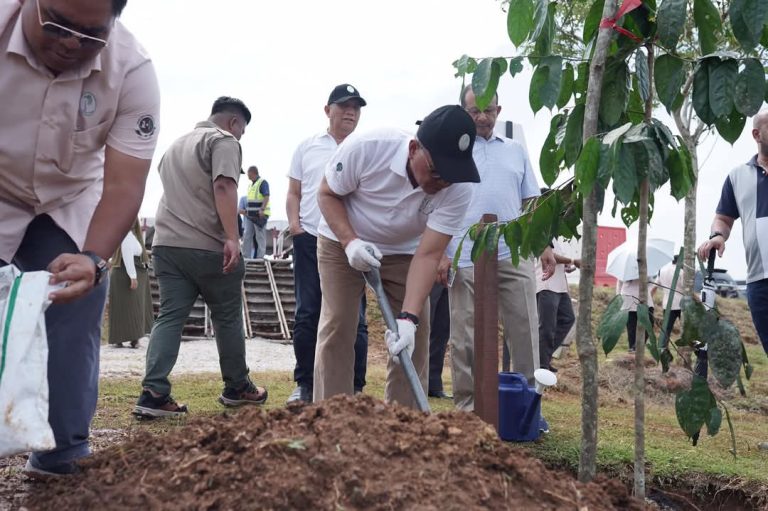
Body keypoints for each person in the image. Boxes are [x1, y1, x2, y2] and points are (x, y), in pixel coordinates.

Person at [0, 0, 160, 475]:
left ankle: (61, 451)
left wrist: (93, 257)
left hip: (70, 196)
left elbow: (124, 185)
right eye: (58, 23)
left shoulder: (132, 70)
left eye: (90, 34)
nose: (71, 42)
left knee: (77, 301)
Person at [313, 104, 480, 409]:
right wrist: (351, 244)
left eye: (449, 177)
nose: (441, 183)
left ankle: (402, 426)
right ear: (414, 148)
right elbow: (326, 194)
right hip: (342, 239)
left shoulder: (459, 188)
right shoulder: (368, 147)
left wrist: (409, 318)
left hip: (405, 250)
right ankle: (331, 418)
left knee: (415, 333)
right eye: (435, 172)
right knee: (339, 323)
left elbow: (429, 254)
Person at [133, 97, 268, 418]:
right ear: (234, 123)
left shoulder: (175, 147)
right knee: (227, 316)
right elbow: (223, 186)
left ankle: (153, 392)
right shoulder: (223, 141)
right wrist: (233, 238)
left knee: (169, 317)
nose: (240, 138)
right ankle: (237, 386)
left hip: (166, 245)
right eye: (242, 131)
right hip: (207, 245)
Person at [447, 86, 555, 416]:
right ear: (463, 111)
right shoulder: (452, 150)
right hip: (463, 253)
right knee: (465, 336)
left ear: (499, 109)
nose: (482, 116)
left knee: (524, 331)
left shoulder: (515, 150)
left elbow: (530, 202)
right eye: (474, 111)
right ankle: (467, 407)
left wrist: (545, 244)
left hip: (513, 252)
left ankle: (527, 410)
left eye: (488, 110)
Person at [285, 83, 370, 403]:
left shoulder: (364, 147)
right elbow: (294, 192)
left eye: (356, 108)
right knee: (308, 312)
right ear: (327, 110)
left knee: (355, 316)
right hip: (310, 238)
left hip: (350, 241)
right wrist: (295, 226)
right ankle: (304, 384)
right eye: (344, 106)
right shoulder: (307, 147)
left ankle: (355, 386)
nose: (350, 112)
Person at [697, 110, 768, 356]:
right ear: (757, 134)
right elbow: (723, 218)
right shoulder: (738, 177)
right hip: (760, 281)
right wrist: (717, 235)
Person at [108, 218, 153, 348]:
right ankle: (128, 338)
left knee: (131, 307)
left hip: (130, 273)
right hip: (127, 274)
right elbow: (127, 256)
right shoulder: (127, 236)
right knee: (130, 307)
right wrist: (133, 276)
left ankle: (129, 338)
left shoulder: (132, 236)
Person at [536, 237, 578, 372]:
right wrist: (572, 261)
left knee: (567, 319)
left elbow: (555, 258)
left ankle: (543, 357)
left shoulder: (555, 236)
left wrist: (564, 265)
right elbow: (549, 255)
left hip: (559, 286)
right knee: (547, 328)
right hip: (546, 284)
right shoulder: (543, 233)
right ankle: (541, 364)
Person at [652, 256, 684, 348]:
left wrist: (649, 300)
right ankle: (683, 350)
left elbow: (654, 287)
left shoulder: (662, 271)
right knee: (685, 329)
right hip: (681, 305)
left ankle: (662, 350)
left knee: (666, 330)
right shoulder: (682, 272)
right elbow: (686, 288)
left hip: (667, 305)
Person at [616, 278, 654, 352]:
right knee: (631, 326)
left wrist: (646, 291)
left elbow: (651, 283)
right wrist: (619, 298)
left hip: (644, 300)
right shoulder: (624, 271)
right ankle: (633, 347)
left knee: (649, 324)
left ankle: (638, 345)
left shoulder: (645, 269)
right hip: (628, 300)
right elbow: (619, 284)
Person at [240, 165, 270, 259]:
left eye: (248, 174)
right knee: (247, 235)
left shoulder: (262, 182)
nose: (248, 176)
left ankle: (260, 257)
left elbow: (266, 196)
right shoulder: (250, 185)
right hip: (250, 216)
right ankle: (246, 256)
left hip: (259, 216)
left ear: (253, 173)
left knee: (259, 237)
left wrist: (262, 209)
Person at [427, 283, 451, 398]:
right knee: (422, 326)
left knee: (442, 328)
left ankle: (434, 384)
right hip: (427, 271)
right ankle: (414, 381)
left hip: (451, 273)